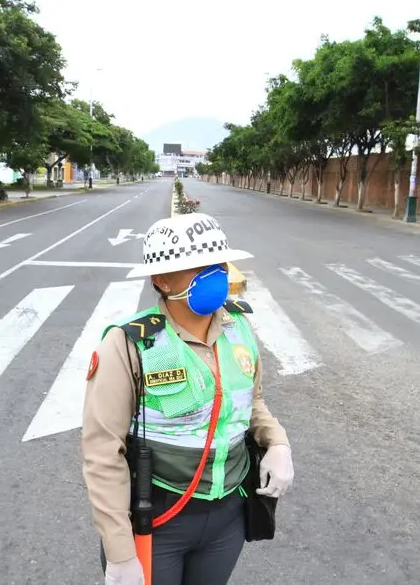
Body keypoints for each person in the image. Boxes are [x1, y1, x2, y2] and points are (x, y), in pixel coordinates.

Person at [81, 213, 295, 585]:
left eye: (217, 265)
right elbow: (102, 452)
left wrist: (278, 443)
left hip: (227, 516)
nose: (214, 276)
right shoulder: (131, 344)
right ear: (161, 280)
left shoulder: (239, 328)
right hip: (159, 519)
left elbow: (252, 402)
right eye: (198, 268)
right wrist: (119, 553)